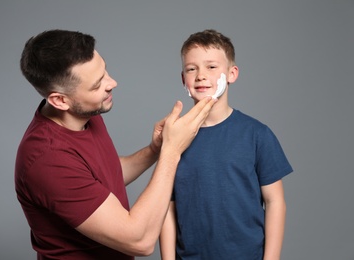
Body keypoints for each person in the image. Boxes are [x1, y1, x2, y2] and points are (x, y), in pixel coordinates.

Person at [15, 29, 216, 260]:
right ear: (60, 100)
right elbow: (139, 241)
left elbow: (103, 177)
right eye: (97, 84)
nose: (112, 83)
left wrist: (155, 149)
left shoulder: (86, 113)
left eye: (105, 71)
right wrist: (172, 150)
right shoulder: (47, 159)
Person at [159, 29, 293, 259]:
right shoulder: (174, 139)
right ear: (183, 79)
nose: (201, 75)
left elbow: (275, 202)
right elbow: (166, 208)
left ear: (232, 74)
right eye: (192, 69)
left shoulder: (257, 135)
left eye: (211, 67)